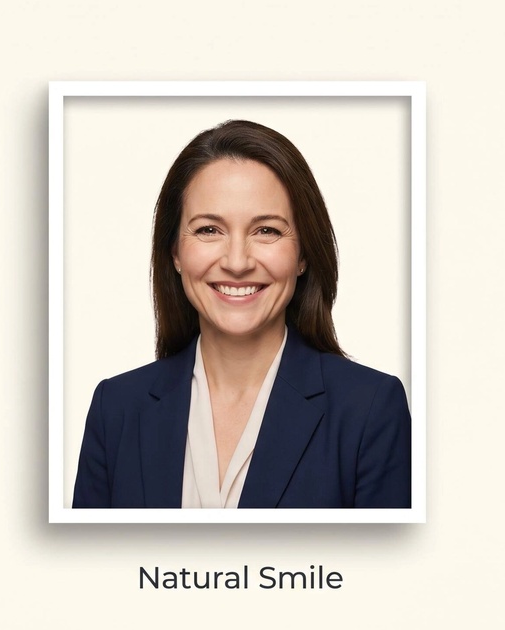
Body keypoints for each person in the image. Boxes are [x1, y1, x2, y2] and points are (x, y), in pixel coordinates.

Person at [73, 120, 411, 508]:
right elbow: (89, 569)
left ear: (302, 255)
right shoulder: (115, 409)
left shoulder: (369, 411)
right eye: (208, 230)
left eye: (266, 231)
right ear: (175, 254)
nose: (236, 262)